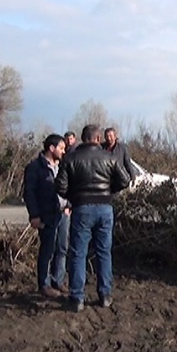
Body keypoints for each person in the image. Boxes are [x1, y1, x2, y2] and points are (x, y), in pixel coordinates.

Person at [55, 124, 130, 312]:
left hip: (81, 209)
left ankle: (77, 298)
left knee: (78, 253)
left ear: (82, 138)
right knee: (104, 252)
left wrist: (75, 196)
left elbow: (60, 187)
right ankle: (104, 295)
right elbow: (124, 180)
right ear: (98, 139)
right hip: (105, 208)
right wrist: (108, 192)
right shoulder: (109, 157)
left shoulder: (70, 158)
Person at [23, 134, 71, 298]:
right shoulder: (35, 167)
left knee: (62, 248)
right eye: (61, 148)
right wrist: (34, 215)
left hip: (63, 213)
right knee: (47, 250)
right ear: (52, 148)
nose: (64, 152)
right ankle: (44, 284)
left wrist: (69, 205)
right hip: (46, 214)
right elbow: (29, 193)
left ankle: (58, 280)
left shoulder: (63, 166)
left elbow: (70, 186)